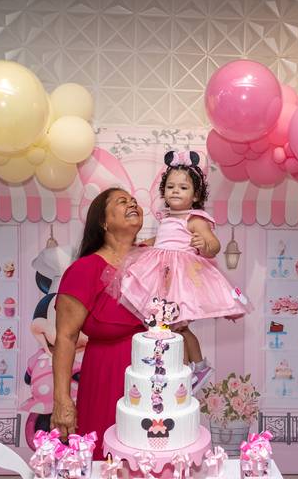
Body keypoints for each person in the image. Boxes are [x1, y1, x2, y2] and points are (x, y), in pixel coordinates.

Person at [114, 150, 250, 391]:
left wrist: (204, 245)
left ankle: (189, 368)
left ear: (195, 195)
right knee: (175, 327)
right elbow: (162, 240)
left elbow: (214, 246)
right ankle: (190, 366)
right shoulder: (167, 218)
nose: (175, 191)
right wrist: (145, 245)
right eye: (170, 187)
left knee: (178, 327)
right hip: (163, 277)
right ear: (163, 191)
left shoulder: (194, 219)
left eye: (183, 187)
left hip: (182, 278)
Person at [51, 188, 146, 459]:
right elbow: (66, 337)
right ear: (103, 221)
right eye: (122, 201)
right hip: (106, 377)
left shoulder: (152, 261)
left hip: (152, 378)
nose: (132, 204)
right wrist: (62, 400)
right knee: (107, 460)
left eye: (134, 201)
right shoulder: (83, 270)